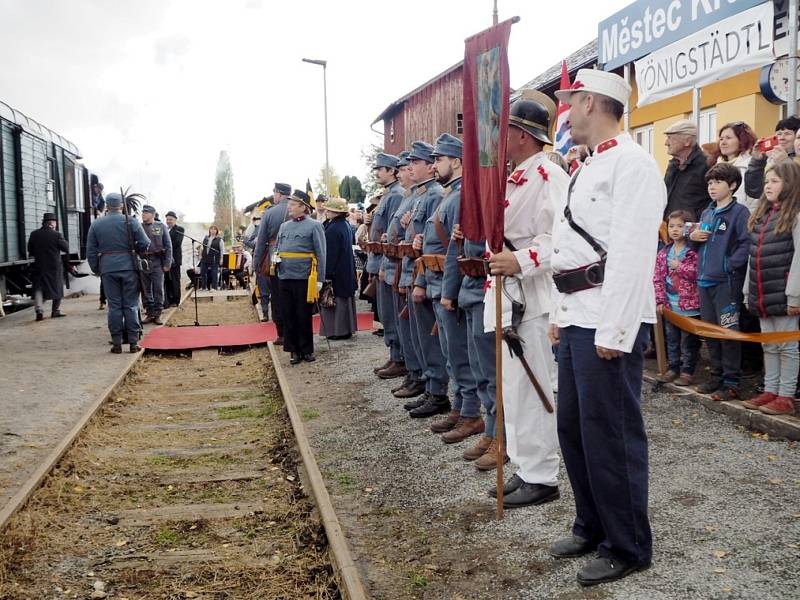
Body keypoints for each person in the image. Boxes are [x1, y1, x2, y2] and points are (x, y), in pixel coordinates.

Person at [549, 68, 664, 585]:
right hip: (577, 315)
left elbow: (633, 253)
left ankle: (628, 544)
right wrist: (557, 313)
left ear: (592, 102)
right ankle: (591, 523)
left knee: (611, 434)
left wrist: (616, 331)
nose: (566, 112)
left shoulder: (635, 165)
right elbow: (567, 248)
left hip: (607, 321)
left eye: (571, 103)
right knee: (573, 428)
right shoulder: (583, 167)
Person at [483, 91, 568, 508]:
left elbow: (561, 239)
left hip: (532, 293)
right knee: (513, 387)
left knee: (535, 386)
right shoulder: (510, 178)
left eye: (508, 131)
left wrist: (519, 260)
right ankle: (524, 464)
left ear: (522, 135)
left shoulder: (550, 176)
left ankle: (543, 474)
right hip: (507, 291)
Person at [420, 133, 483, 443]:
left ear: (456, 161)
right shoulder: (450, 195)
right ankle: (459, 408)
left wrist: (449, 292)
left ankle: (471, 413)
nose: (435, 165)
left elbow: (456, 250)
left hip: (452, 285)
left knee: (460, 354)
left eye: (440, 159)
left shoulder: (459, 197)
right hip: (438, 282)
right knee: (450, 354)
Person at [740, 161, 800, 416]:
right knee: (768, 344)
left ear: (790, 184)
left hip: (785, 294)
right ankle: (770, 389)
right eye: (767, 181)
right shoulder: (763, 216)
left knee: (786, 346)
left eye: (775, 181)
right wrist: (746, 291)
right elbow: (753, 257)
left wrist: (794, 294)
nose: (768, 186)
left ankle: (785, 395)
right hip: (761, 292)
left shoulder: (795, 216)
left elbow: (799, 258)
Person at [689, 162, 750, 400]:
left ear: (732, 185)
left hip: (726, 282)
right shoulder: (706, 212)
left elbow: (746, 243)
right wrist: (692, 236)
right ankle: (715, 376)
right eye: (710, 183)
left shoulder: (739, 212)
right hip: (704, 281)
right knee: (710, 331)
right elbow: (697, 242)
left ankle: (732, 381)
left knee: (728, 331)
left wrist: (728, 265)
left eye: (718, 182)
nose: (712, 187)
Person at [404, 141, 450, 418]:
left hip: (430, 272)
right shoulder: (423, 195)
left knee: (435, 340)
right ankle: (429, 384)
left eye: (415, 162)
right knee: (422, 336)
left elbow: (438, 243)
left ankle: (436, 390)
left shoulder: (434, 195)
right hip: (419, 269)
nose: (410, 168)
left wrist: (419, 280)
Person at [87, 193, 150, 353]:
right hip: (129, 267)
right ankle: (134, 342)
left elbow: (91, 251)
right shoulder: (131, 221)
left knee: (114, 306)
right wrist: (136, 248)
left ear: (107, 206)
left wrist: (97, 268)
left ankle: (116, 343)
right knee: (130, 305)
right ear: (121, 205)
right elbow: (145, 243)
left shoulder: (97, 224)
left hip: (108, 268)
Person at [386, 150, 427, 400]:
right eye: (405, 166)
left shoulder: (427, 196)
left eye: (413, 164)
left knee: (424, 336)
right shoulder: (414, 197)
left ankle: (426, 381)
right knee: (407, 328)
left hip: (417, 270)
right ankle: (414, 373)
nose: (407, 170)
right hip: (402, 266)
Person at [275, 190, 326, 364]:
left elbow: (321, 253)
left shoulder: (314, 226)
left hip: (304, 277)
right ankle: (293, 351)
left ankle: (306, 350)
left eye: (292, 204)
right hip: (285, 275)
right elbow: (279, 248)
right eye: (289, 203)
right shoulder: (284, 226)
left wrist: (320, 278)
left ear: (303, 207)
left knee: (303, 315)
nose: (288, 207)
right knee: (288, 314)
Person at [368, 153, 406, 379]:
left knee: (392, 314)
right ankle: (395, 355)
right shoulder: (388, 195)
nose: (377, 172)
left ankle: (399, 357)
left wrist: (382, 264)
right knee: (386, 313)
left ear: (392, 170)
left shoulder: (396, 195)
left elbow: (393, 234)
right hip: (380, 261)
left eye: (381, 169)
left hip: (388, 261)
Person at [653, 210, 701, 386]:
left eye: (680, 226)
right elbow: (657, 278)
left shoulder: (693, 252)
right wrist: (659, 300)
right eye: (671, 226)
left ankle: (687, 371)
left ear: (688, 228)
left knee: (688, 341)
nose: (675, 230)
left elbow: (697, 273)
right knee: (672, 339)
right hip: (670, 305)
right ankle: (673, 367)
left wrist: (679, 267)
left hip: (689, 306)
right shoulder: (664, 252)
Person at [254, 183, 292, 336]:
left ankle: (281, 333)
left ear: (279, 194)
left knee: (276, 296)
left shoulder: (270, 213)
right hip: (297, 260)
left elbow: (261, 240)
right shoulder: (298, 209)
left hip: (274, 259)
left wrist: (256, 264)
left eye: (274, 193)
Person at [319, 197, 358, 340]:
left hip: (337, 272)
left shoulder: (333, 229)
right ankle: (346, 329)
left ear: (336, 212)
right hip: (345, 269)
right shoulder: (345, 225)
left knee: (336, 301)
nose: (326, 212)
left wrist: (326, 273)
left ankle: (338, 330)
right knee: (344, 300)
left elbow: (330, 254)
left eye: (329, 210)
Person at [663, 119, 711, 220]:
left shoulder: (706, 165)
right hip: (671, 228)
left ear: (687, 141)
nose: (666, 143)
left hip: (693, 230)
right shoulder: (673, 165)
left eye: (670, 138)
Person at [745, 116, 800, 199]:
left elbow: (795, 190)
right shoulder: (770, 160)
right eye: (778, 134)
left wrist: (785, 162)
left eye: (787, 133)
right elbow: (755, 191)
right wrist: (757, 161)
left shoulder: (794, 160)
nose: (781, 138)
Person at [27, 212, 69, 321]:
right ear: (53, 223)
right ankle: (55, 311)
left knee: (38, 288)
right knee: (57, 288)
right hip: (54, 267)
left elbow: (30, 250)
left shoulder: (34, 234)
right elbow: (66, 248)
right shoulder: (56, 235)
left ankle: (39, 310)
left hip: (39, 265)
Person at [707, 121, 758, 212]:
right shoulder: (715, 165)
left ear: (742, 140)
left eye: (728, 138)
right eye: (721, 139)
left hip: (747, 218)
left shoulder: (753, 164)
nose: (723, 142)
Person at [140, 205, 173, 324]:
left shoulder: (160, 226)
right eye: (143, 212)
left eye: (146, 212)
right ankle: (149, 312)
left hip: (157, 261)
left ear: (153, 215)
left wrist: (167, 263)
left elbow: (168, 246)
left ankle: (158, 313)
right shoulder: (139, 227)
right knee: (145, 289)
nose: (143, 214)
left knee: (158, 289)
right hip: (143, 261)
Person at [164, 211, 184, 307]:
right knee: (166, 280)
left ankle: (176, 300)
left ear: (175, 220)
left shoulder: (179, 229)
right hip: (165, 259)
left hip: (175, 259)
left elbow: (177, 243)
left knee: (175, 280)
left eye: (170, 219)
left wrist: (165, 247)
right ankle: (168, 300)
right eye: (167, 219)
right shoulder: (164, 229)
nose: (168, 221)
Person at [200, 225, 224, 290]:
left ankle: (214, 287)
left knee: (214, 273)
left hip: (214, 258)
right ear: (209, 230)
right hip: (205, 258)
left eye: (214, 229)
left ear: (216, 231)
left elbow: (222, 250)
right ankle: (204, 287)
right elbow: (202, 247)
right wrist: (200, 255)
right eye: (211, 229)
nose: (213, 231)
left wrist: (221, 258)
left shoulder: (219, 239)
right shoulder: (206, 238)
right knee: (202, 272)